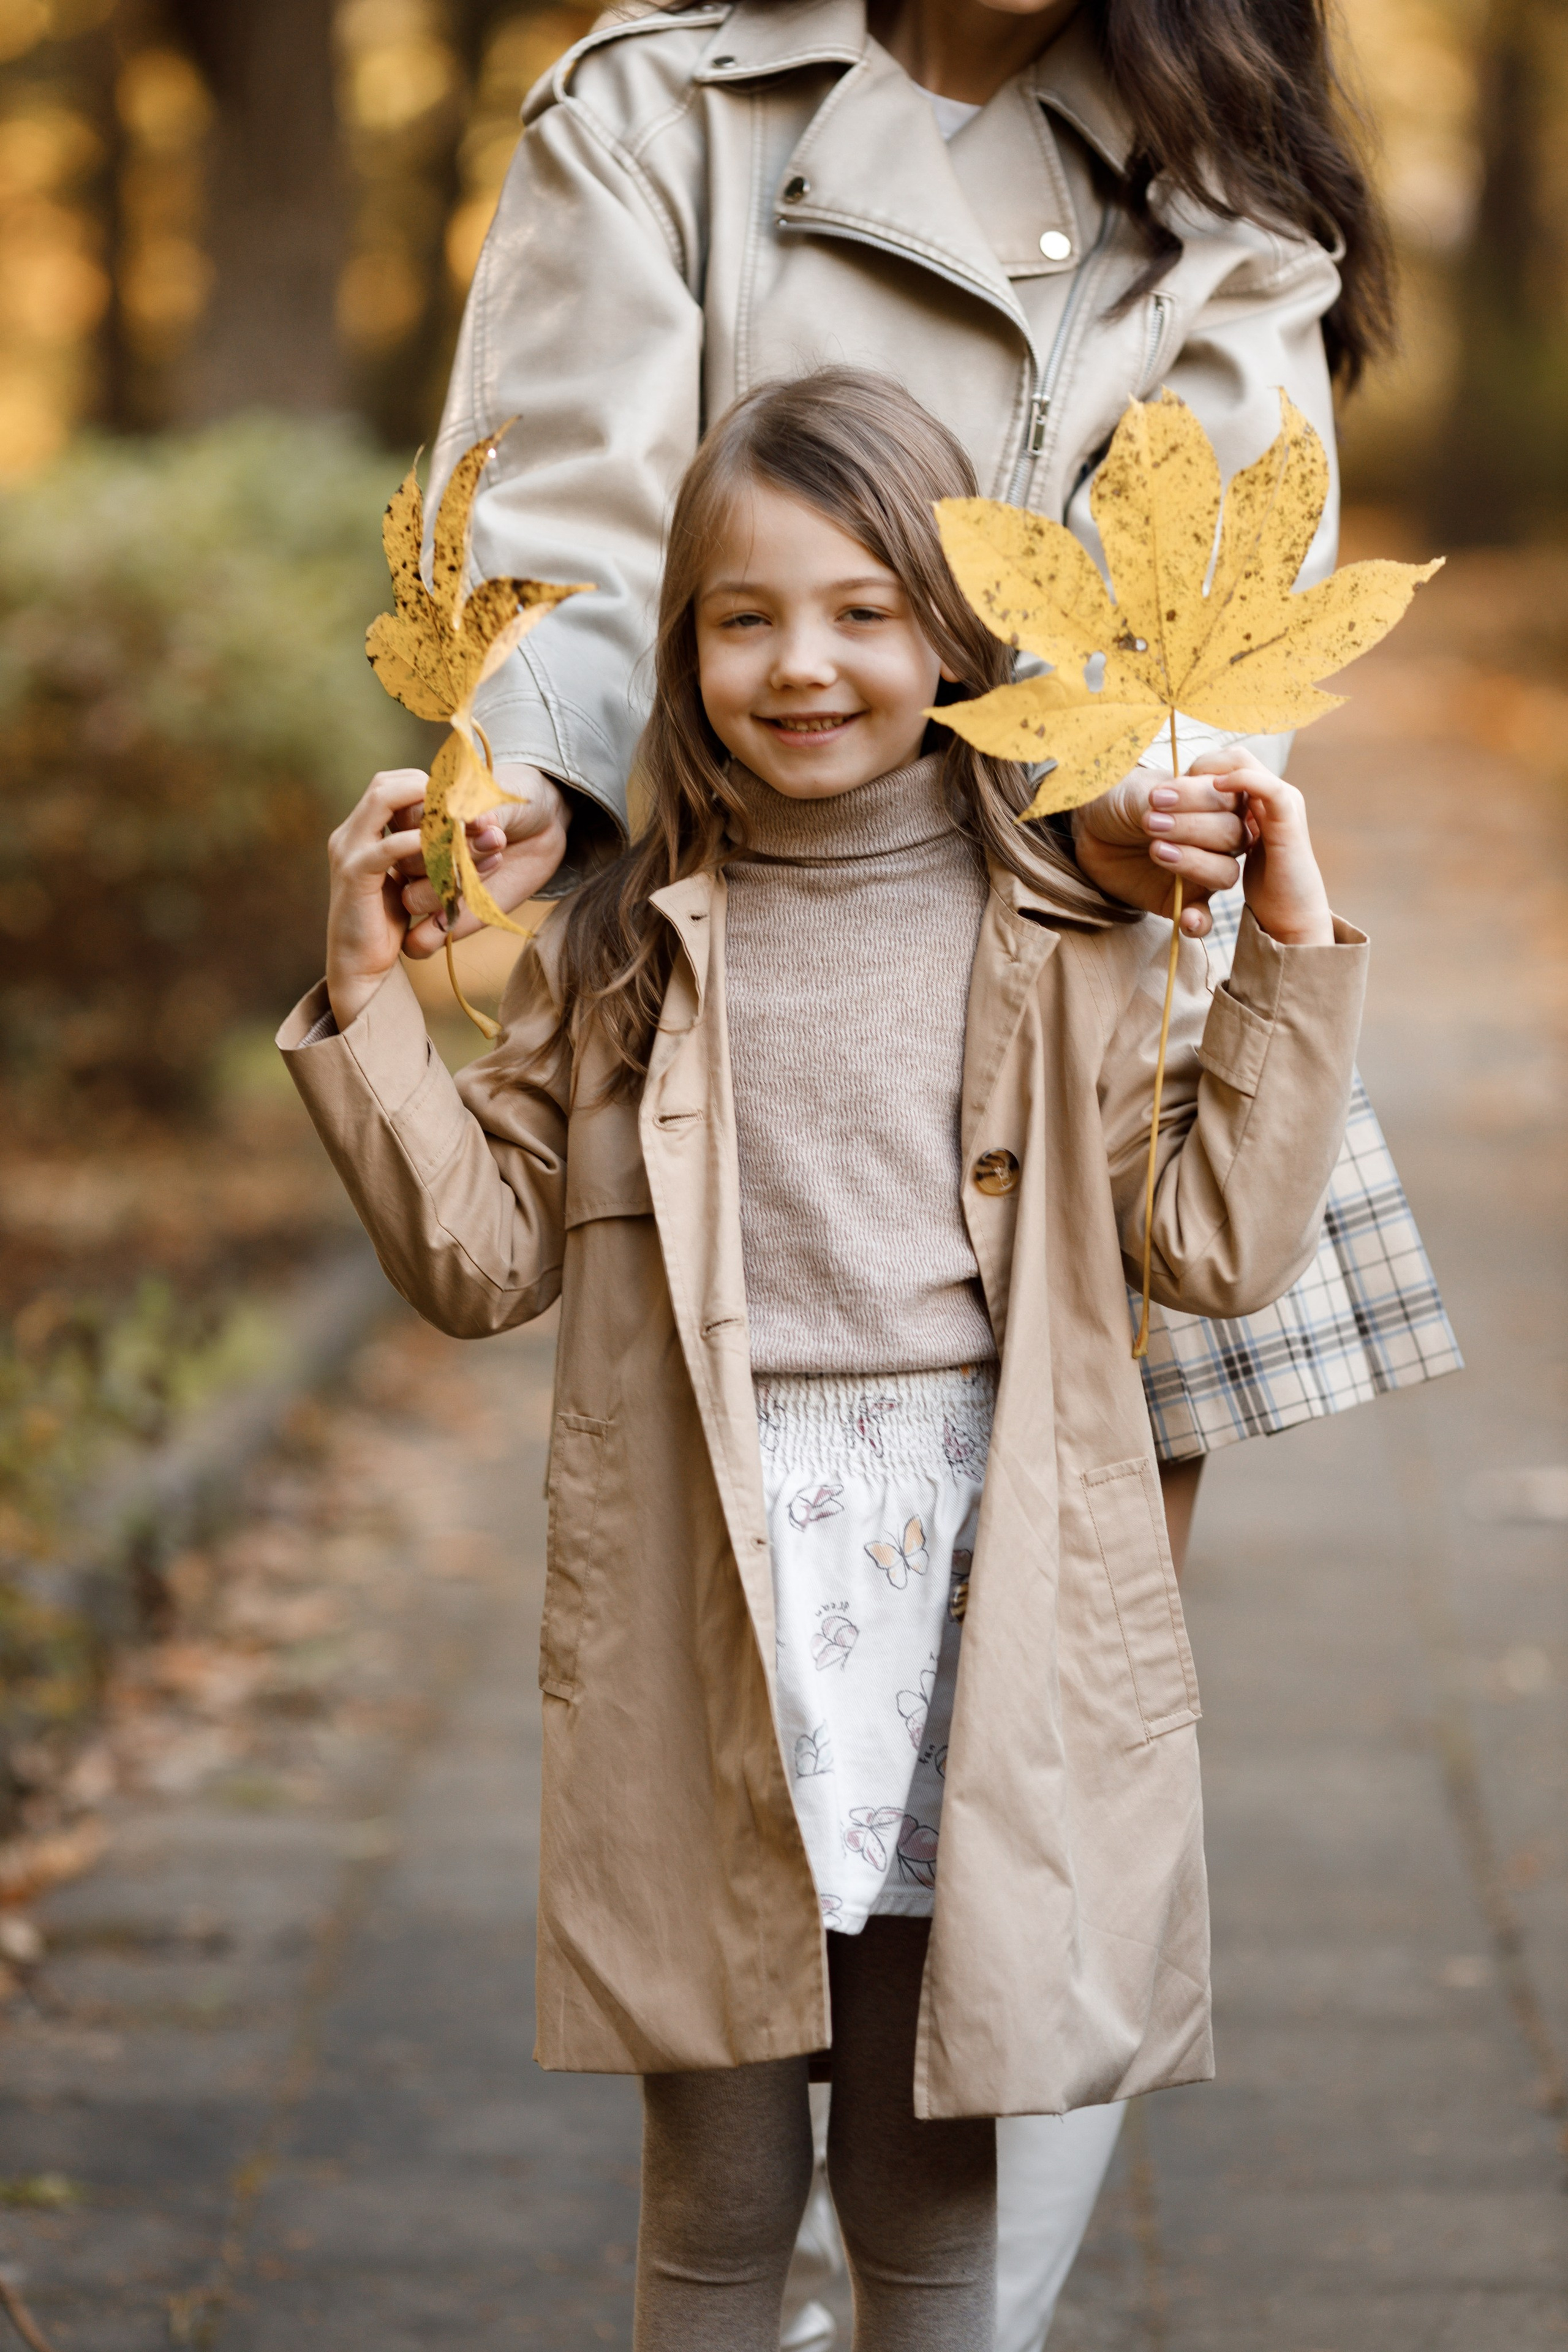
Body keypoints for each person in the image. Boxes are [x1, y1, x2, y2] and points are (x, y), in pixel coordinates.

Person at [386, 2, 1460, 2333]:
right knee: (775, 1799)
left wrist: (1128, 784)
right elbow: (567, 516)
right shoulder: (658, 104)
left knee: (1027, 1806)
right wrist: (542, 798)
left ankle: (941, 2306)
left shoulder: (1223, 157)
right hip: (750, 944)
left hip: (1092, 961)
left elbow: (1219, 547)